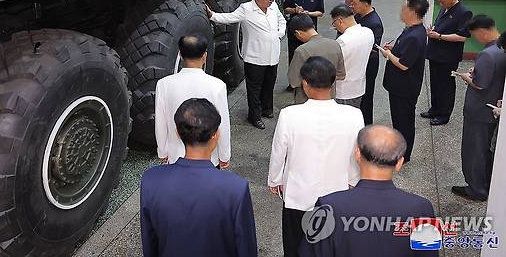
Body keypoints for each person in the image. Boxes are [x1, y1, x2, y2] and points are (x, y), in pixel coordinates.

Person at [268, 57, 364, 257]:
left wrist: (274, 180)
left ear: (305, 82)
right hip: (338, 195)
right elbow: (358, 155)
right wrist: (354, 181)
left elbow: (278, 152)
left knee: (295, 246)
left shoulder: (289, 115)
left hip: (298, 195)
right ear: (333, 81)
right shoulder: (354, 115)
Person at [141, 98, 258, 257]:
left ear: (177, 131)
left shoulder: (151, 180)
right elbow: (246, 248)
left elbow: (150, 242)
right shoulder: (236, 189)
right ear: (215, 135)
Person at [299, 125, 438, 257]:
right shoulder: (422, 208)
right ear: (399, 163)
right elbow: (428, 253)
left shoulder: (328, 206)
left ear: (358, 155)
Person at [207, 0, 286, 129]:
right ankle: (254, 117)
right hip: (255, 57)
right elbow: (229, 18)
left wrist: (280, 34)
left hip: (272, 55)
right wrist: (212, 15)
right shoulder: (246, 9)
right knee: (254, 89)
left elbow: (282, 20)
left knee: (269, 84)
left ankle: (267, 109)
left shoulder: (273, 7)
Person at [155, 35, 231, 168]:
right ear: (205, 56)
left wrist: (162, 151)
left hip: (176, 156)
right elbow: (222, 124)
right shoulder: (217, 85)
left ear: (180, 54)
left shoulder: (164, 84)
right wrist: (224, 155)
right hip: (208, 156)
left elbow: (160, 122)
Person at [452, 15, 506, 202]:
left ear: (481, 32)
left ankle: (476, 188)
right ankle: (486, 183)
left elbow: (480, 84)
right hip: (493, 108)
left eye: (475, 35)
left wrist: (467, 78)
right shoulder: (501, 49)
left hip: (480, 110)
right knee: (486, 150)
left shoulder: (487, 54)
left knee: (474, 151)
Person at [379, 0, 429, 163]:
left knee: (404, 121)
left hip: (405, 87)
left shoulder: (415, 36)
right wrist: (393, 48)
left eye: (403, 8)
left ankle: (403, 155)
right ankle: (398, 148)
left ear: (412, 12)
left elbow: (404, 64)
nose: (401, 11)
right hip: (399, 85)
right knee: (398, 119)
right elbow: (405, 51)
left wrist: (388, 54)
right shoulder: (411, 29)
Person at [421, 0, 473, 125]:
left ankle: (444, 114)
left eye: (442, 1)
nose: (440, 4)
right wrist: (433, 30)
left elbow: (462, 37)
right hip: (435, 52)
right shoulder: (445, 7)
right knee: (435, 83)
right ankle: (435, 109)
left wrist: (439, 36)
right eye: (439, 1)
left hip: (449, 56)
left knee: (446, 85)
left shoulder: (464, 12)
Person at [287, 14, 345, 105]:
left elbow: (294, 82)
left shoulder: (301, 51)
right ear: (313, 26)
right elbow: (341, 75)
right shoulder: (335, 44)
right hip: (329, 98)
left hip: (306, 101)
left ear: (298, 33)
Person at [331, 4, 375, 109]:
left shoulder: (342, 40)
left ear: (340, 20)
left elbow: (335, 65)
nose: (335, 27)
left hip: (343, 89)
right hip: (359, 86)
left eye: (334, 23)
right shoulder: (368, 32)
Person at [352, 0, 384, 124]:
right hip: (358, 61)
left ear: (366, 4)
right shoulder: (359, 16)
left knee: (366, 94)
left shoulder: (374, 23)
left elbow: (372, 47)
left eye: (355, 4)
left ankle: (366, 123)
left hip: (369, 63)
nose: (353, 6)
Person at [284, 0, 325, 66]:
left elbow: (320, 12)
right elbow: (286, 9)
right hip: (294, 32)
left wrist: (308, 13)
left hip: (309, 32)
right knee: (294, 57)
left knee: (309, 58)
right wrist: (295, 10)